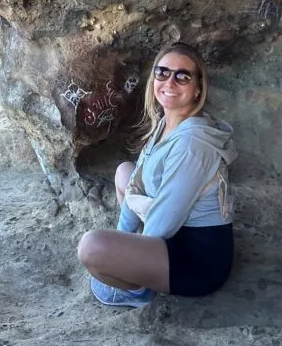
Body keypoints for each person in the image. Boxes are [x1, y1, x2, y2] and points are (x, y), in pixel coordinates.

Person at [77, 42, 236, 308]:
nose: (170, 82)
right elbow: (136, 182)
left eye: (182, 76)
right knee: (124, 172)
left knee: (92, 246)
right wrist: (124, 245)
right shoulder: (167, 123)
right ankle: (133, 270)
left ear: (198, 89)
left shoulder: (191, 145)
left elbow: (163, 222)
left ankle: (135, 289)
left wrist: (125, 262)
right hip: (175, 234)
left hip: (198, 262)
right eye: (162, 73)